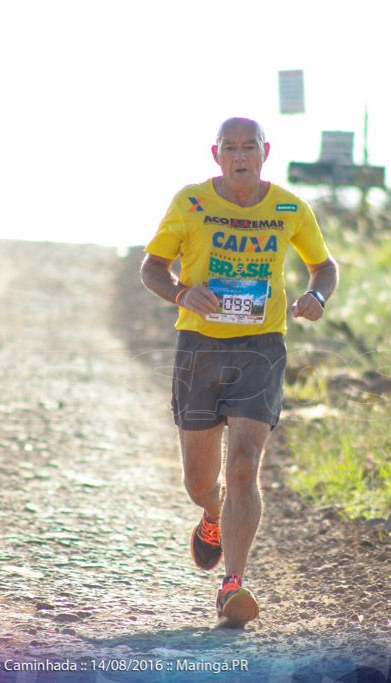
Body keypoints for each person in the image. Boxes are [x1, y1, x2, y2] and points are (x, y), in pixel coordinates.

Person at [140, 117, 338, 628]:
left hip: (261, 347)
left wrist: (316, 295)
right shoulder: (191, 203)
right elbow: (152, 268)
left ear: (265, 152)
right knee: (200, 480)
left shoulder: (291, 208)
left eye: (250, 146)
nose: (240, 154)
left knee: (246, 465)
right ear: (217, 155)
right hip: (199, 347)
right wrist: (184, 293)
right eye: (231, 147)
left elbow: (324, 265)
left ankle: (233, 584)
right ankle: (212, 516)